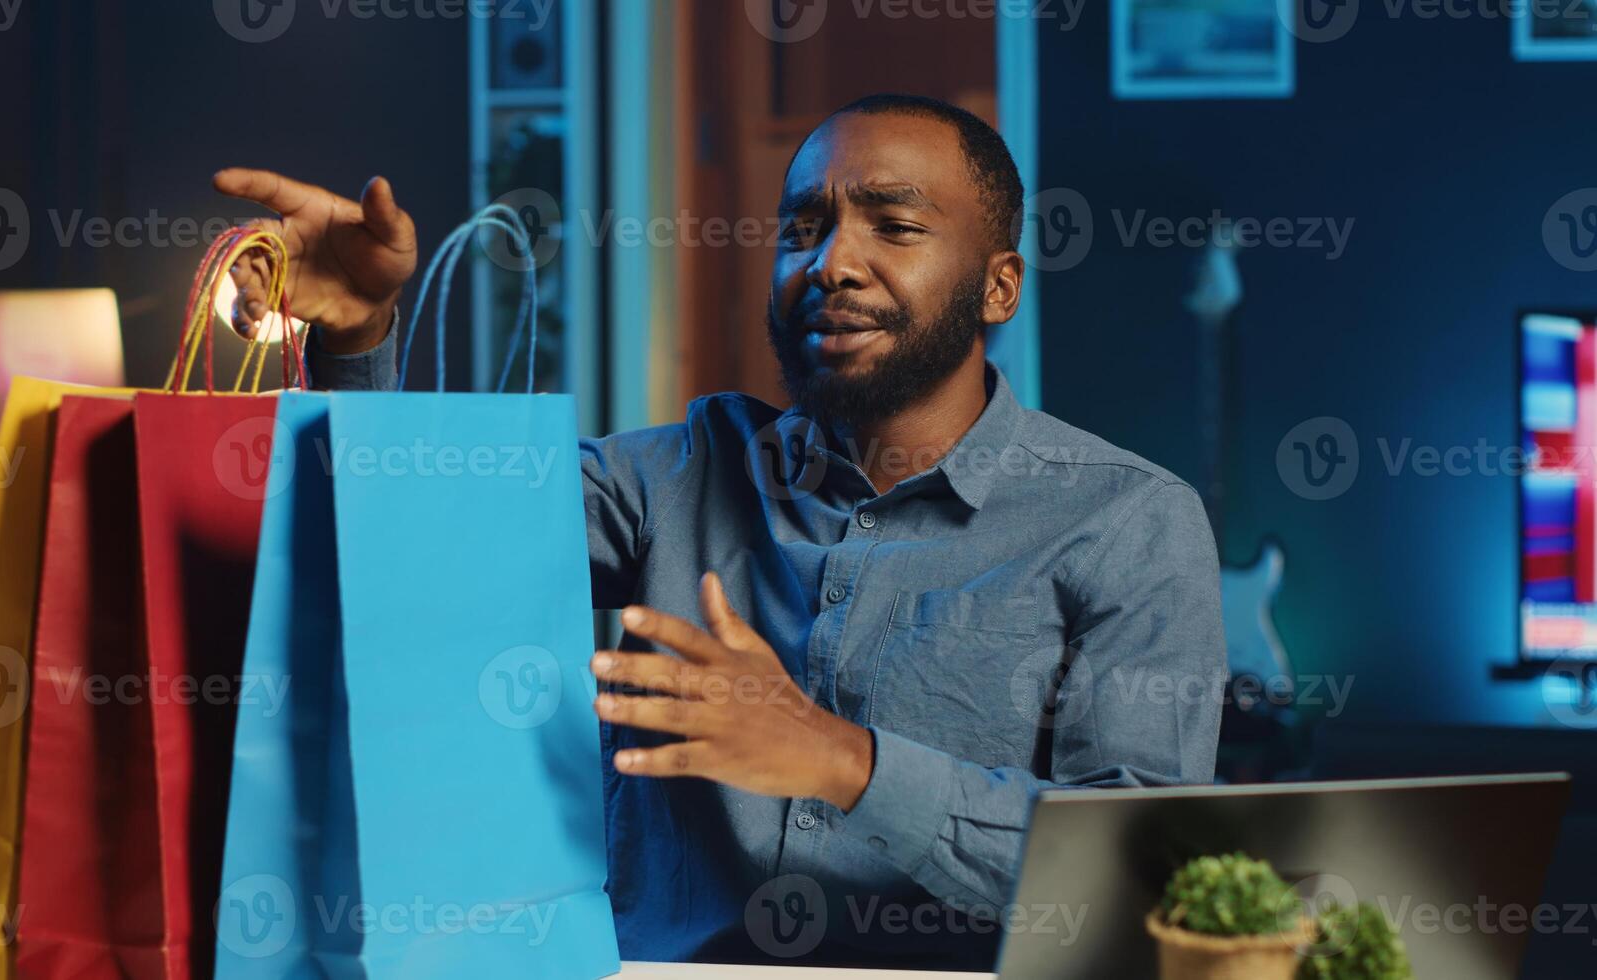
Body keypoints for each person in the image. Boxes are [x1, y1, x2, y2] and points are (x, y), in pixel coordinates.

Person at [215, 93, 1225, 970]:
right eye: (802, 227)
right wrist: (356, 332)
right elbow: (409, 542)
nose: (833, 262)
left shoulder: (1126, 519)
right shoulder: (674, 472)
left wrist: (842, 760)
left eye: (894, 226)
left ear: (998, 284)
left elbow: (1142, 874)